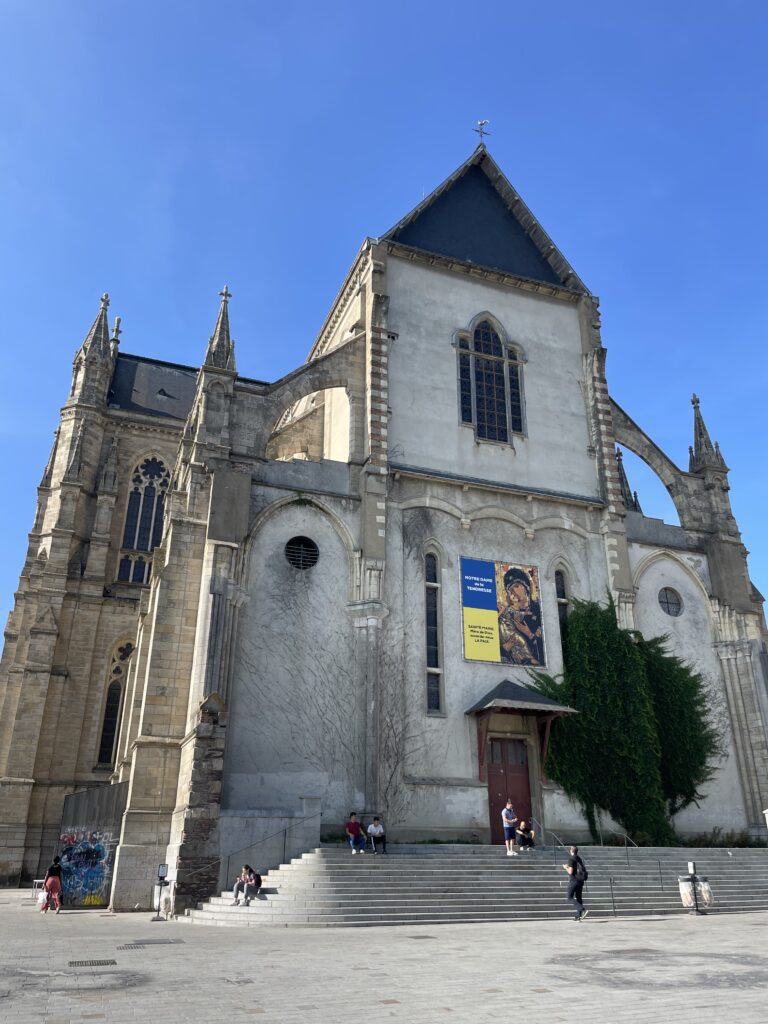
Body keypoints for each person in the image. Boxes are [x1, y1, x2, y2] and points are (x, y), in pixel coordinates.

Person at [498, 567, 544, 665]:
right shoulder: (508, 615)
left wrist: (529, 634)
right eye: (510, 590)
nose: (513, 592)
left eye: (516, 586)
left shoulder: (539, 611)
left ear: (526, 586)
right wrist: (505, 647)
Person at [563, 845, 589, 921]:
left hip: (574, 880)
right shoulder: (579, 858)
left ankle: (582, 909)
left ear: (571, 851)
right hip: (581, 881)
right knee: (579, 898)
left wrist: (565, 867)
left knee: (569, 898)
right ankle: (578, 916)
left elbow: (570, 872)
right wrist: (569, 866)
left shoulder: (571, 858)